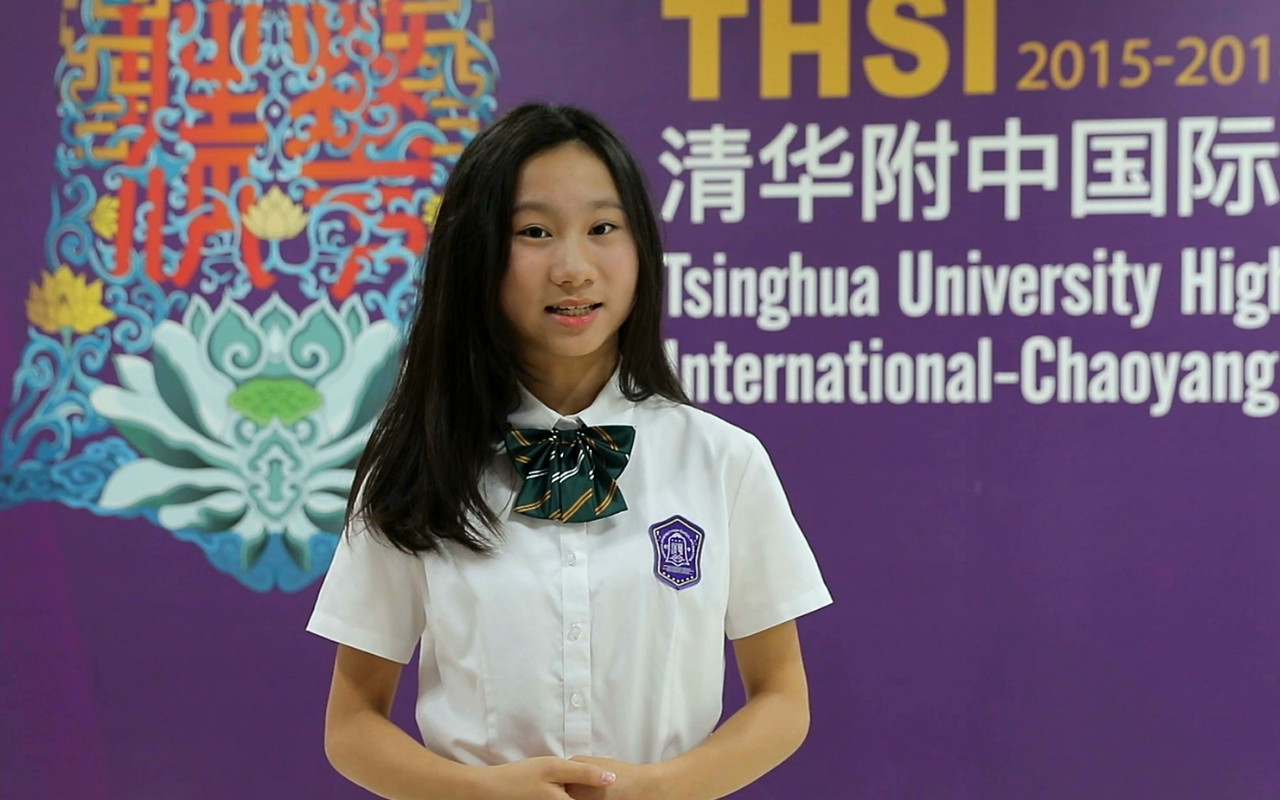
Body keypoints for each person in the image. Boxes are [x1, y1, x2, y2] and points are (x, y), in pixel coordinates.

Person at [306, 103, 832, 800]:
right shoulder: (419, 461)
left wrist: (659, 788)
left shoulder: (723, 461)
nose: (574, 268)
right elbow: (352, 725)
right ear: (478, 254)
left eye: (603, 229)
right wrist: (483, 795)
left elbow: (782, 699)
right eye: (535, 233)